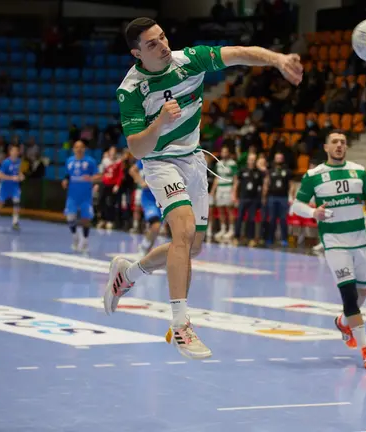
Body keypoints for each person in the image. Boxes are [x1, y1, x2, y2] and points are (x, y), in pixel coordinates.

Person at [104, 17, 303, 360]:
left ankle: (129, 272)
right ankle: (180, 326)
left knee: (192, 247)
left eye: (163, 37)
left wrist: (278, 59)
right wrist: (159, 122)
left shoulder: (189, 60)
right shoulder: (132, 89)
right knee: (181, 233)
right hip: (160, 161)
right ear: (137, 53)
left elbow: (239, 53)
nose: (163, 45)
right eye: (152, 44)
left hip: (194, 161)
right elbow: (137, 149)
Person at [290, 130, 366, 371]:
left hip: (360, 241)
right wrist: (313, 213)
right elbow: (296, 206)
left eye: (343, 142)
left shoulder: (359, 171)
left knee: (362, 293)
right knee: (350, 296)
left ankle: (343, 322)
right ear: (326, 147)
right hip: (334, 243)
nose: (339, 145)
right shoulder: (314, 176)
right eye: (334, 142)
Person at [63, 140, 99, 252]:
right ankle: (75, 237)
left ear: (84, 149)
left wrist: (91, 179)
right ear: (73, 149)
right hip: (72, 196)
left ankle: (85, 242)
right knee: (70, 217)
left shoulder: (90, 161)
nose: (79, 149)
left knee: (86, 219)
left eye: (81, 147)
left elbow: (98, 176)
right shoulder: (69, 161)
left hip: (86, 196)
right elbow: (67, 176)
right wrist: (64, 181)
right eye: (76, 147)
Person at [0, 144, 23, 230]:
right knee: (1, 203)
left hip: (15, 187)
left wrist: (21, 176)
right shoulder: (6, 162)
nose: (14, 152)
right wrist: (11, 178)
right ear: (10, 152)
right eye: (13, 151)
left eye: (16, 151)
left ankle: (15, 222)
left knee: (17, 202)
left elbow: (19, 173)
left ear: (18, 152)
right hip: (5, 186)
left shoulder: (19, 161)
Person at [131, 159, 162, 254]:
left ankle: (146, 249)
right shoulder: (149, 155)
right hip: (149, 198)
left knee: (156, 228)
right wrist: (141, 182)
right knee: (156, 225)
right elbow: (132, 170)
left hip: (163, 198)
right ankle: (144, 248)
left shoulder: (170, 157)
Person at [210, 145, 237, 243]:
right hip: (220, 188)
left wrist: (234, 192)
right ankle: (223, 229)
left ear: (228, 153)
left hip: (228, 187)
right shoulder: (218, 163)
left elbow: (235, 179)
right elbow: (216, 178)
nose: (224, 154)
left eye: (226, 152)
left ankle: (231, 230)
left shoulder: (232, 163)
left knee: (229, 209)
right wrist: (213, 191)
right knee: (220, 209)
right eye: (222, 152)